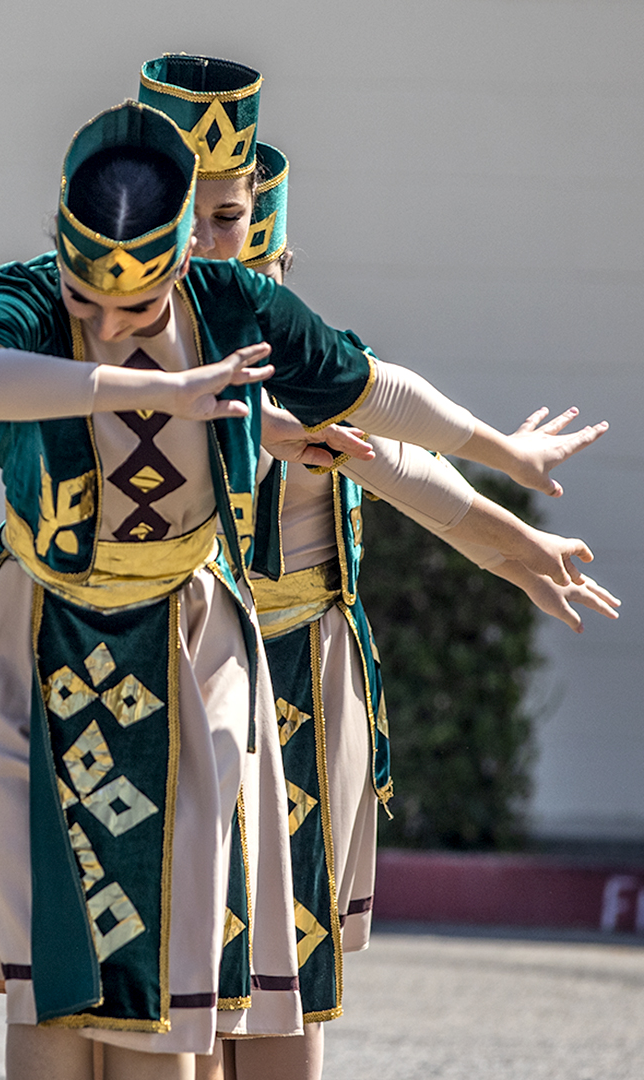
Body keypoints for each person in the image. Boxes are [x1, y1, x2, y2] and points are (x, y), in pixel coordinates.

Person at [0, 96, 607, 1080]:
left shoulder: (250, 320)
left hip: (216, 657)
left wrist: (505, 467)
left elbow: (382, 428)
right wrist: (149, 390)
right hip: (45, 645)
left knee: (212, 978)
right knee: (63, 977)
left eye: (226, 218)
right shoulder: (26, 299)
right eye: (93, 294)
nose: (116, 315)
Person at [138, 55, 618, 1080]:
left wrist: (518, 543)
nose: (220, 253)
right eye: (201, 224)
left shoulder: (305, 357)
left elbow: (406, 466)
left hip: (300, 688)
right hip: (176, 667)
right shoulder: (128, 344)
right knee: (182, 966)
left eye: (237, 227)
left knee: (285, 974)